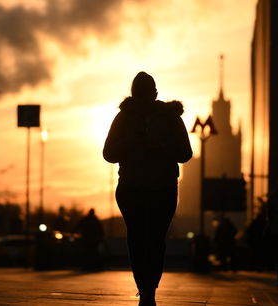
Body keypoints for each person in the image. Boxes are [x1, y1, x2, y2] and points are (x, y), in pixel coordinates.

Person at [103, 71, 192, 306]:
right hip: (132, 189)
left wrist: (160, 144)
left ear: (155, 94)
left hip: (162, 189)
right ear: (134, 94)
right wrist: (133, 140)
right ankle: (145, 288)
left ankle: (149, 289)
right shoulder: (124, 118)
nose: (143, 99)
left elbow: (185, 153)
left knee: (153, 239)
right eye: (139, 94)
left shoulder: (170, 117)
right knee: (138, 239)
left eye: (146, 93)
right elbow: (108, 153)